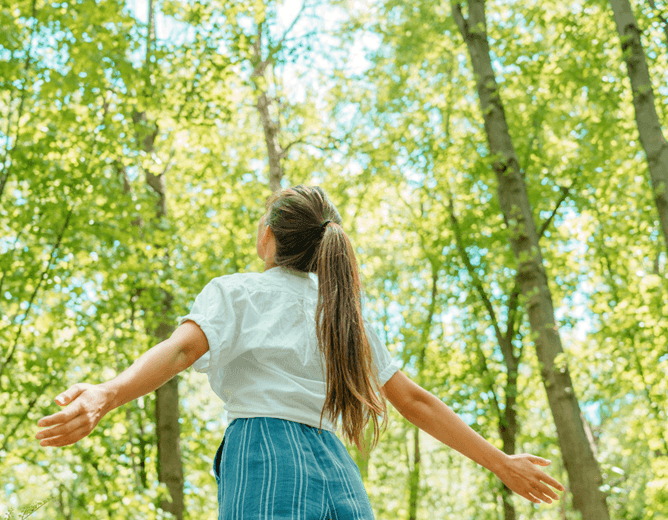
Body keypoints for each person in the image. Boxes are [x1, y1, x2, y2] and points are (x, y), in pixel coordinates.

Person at [37, 185, 565, 519]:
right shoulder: (345, 315)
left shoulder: (239, 291)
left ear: (269, 236)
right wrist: (501, 463)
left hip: (263, 450)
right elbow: (416, 402)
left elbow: (177, 354)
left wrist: (106, 393)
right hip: (335, 464)